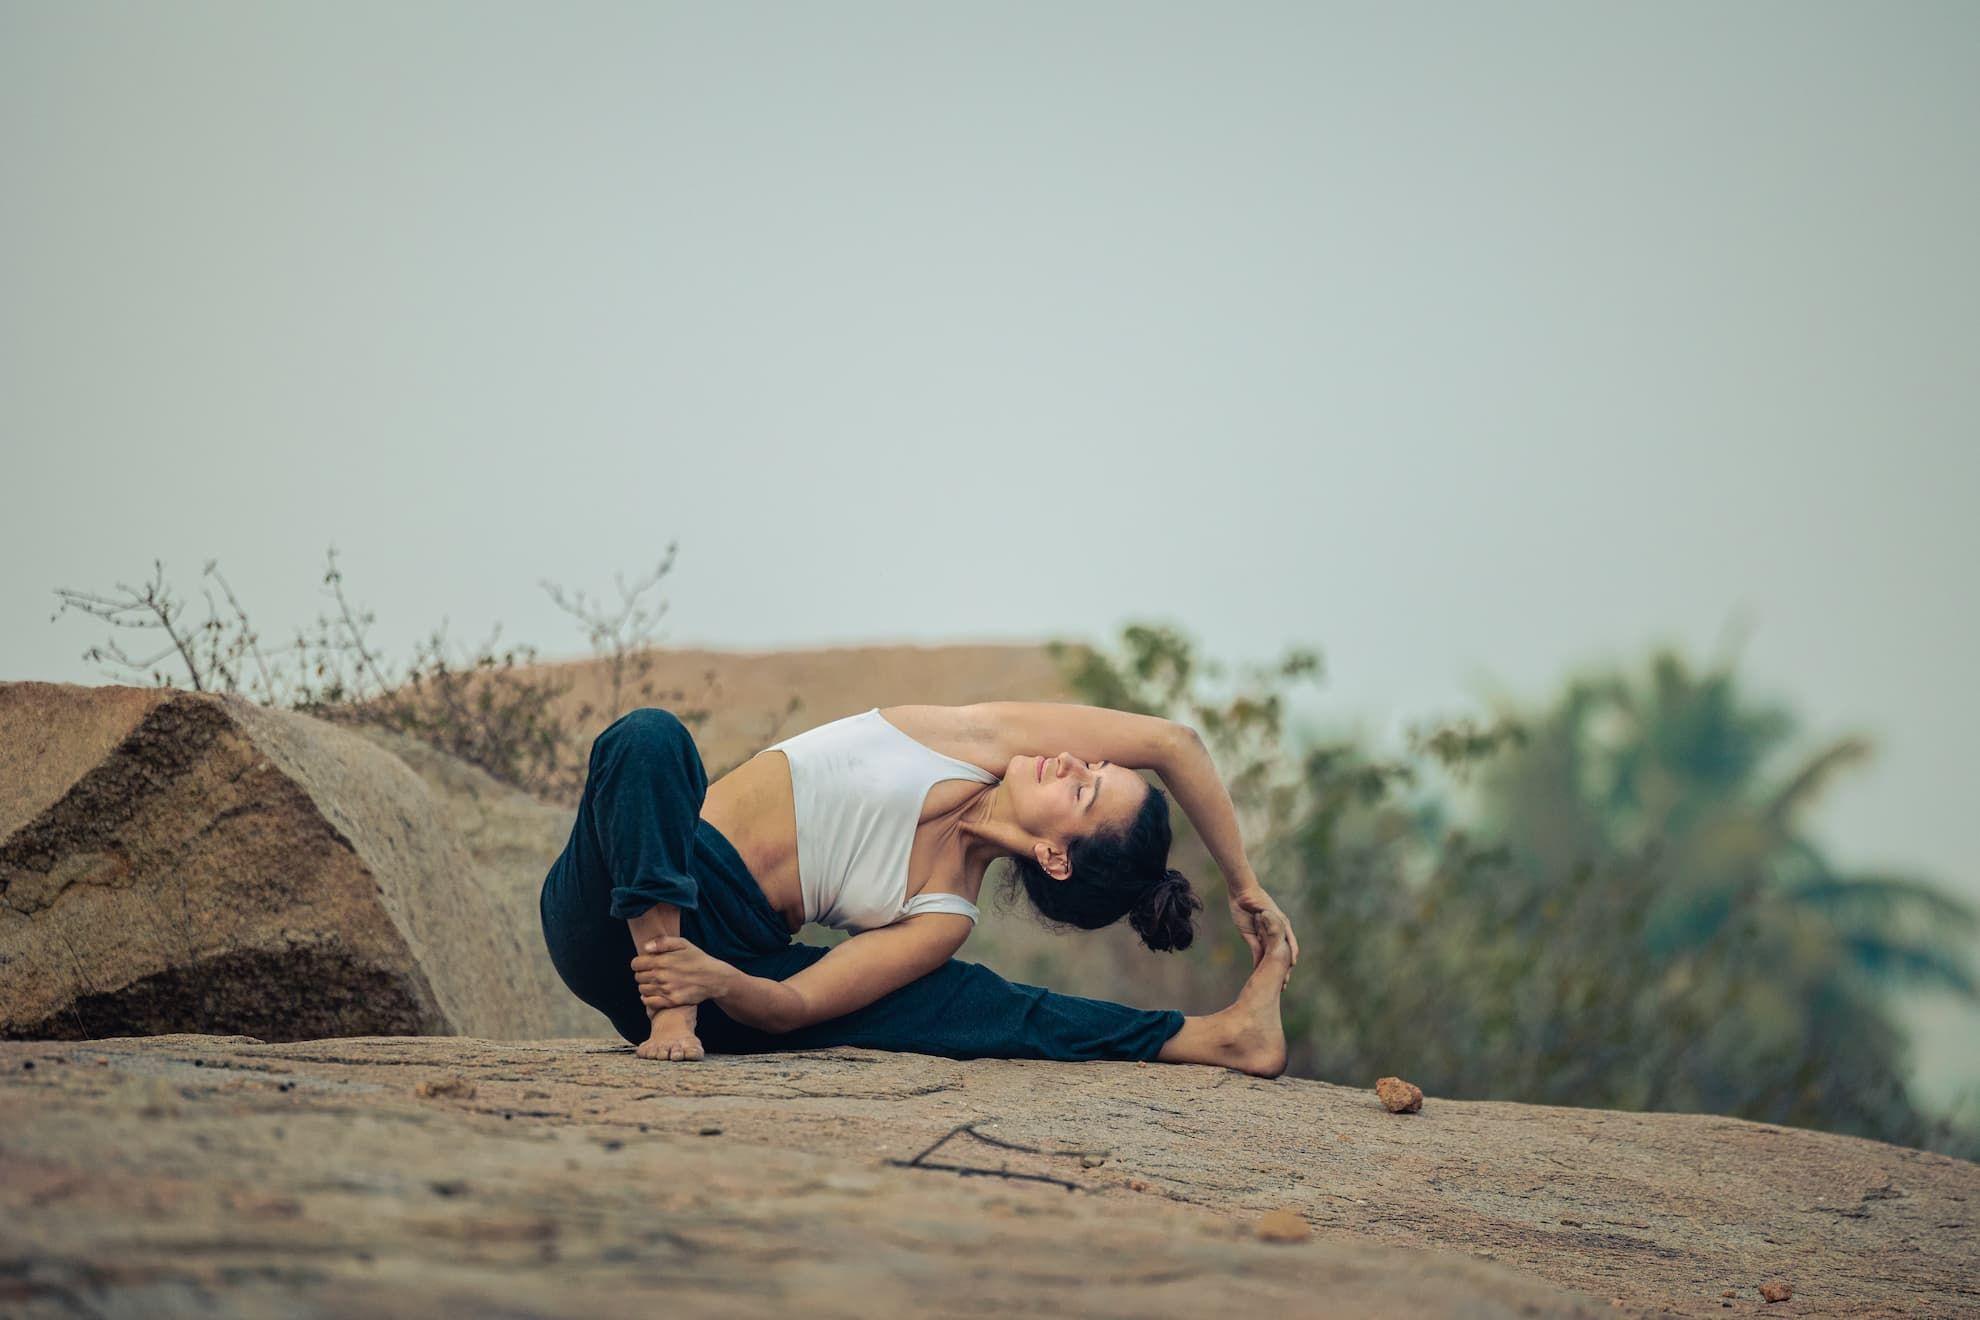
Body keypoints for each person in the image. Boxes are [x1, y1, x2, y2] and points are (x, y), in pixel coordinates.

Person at [538, 701, 1299, 1073]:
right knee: (649, 738)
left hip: (728, 969)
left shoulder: (943, 918)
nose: (1071, 760)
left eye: (1083, 791)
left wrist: (724, 982)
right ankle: (667, 1003)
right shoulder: (970, 738)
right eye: (1092, 765)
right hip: (620, 908)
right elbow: (1173, 742)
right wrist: (1244, 886)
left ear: (1055, 858)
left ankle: (1218, 1036)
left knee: (967, 1002)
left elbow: (796, 1004)